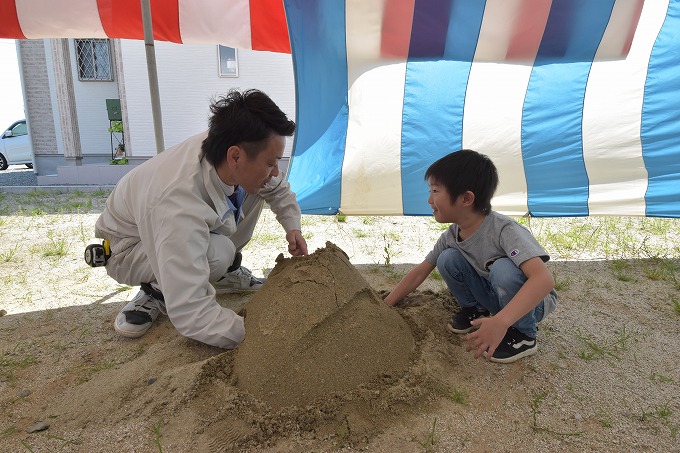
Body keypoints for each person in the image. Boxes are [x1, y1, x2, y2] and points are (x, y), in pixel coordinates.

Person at [92, 89, 308, 348]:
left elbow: (276, 187)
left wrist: (292, 228)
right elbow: (193, 313)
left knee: (258, 186)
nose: (276, 171)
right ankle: (157, 290)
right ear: (236, 156)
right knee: (219, 252)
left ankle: (222, 272)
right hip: (127, 248)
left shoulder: (229, 144)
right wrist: (264, 336)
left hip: (171, 228)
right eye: (271, 162)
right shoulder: (177, 203)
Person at [384, 150, 557, 363]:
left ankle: (524, 334)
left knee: (503, 269)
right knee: (447, 258)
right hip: (494, 295)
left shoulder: (504, 231)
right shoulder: (451, 235)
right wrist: (385, 305)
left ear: (466, 198)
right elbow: (420, 272)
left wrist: (501, 322)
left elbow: (544, 280)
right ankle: (475, 311)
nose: (429, 199)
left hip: (533, 303)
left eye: (435, 191)